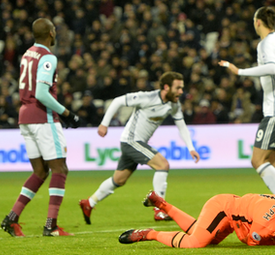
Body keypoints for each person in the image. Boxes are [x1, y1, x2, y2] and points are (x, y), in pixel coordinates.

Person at [79, 71, 201, 224]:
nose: (181, 92)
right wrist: (104, 123)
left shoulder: (174, 104)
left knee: (119, 179)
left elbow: (181, 126)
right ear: (166, 87)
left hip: (136, 143)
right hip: (131, 141)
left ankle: (89, 203)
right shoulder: (147, 97)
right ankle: (159, 209)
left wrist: (191, 147)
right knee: (163, 165)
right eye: (178, 88)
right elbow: (117, 101)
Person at [1, 18, 80, 237]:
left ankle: (12, 218)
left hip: (25, 117)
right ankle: (51, 225)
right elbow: (42, 93)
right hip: (43, 118)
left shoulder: (27, 54)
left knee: (40, 171)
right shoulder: (48, 57)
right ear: (51, 33)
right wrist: (67, 114)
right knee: (60, 169)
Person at [219, 6, 275, 194]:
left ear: (258, 22)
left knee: (257, 160)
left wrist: (239, 71)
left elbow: (272, 68)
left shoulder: (265, 43)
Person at [118, 186, 275, 247]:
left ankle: (162, 204)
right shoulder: (267, 220)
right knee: (195, 243)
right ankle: (149, 234)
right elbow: (251, 241)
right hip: (224, 208)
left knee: (202, 236)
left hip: (238, 215)